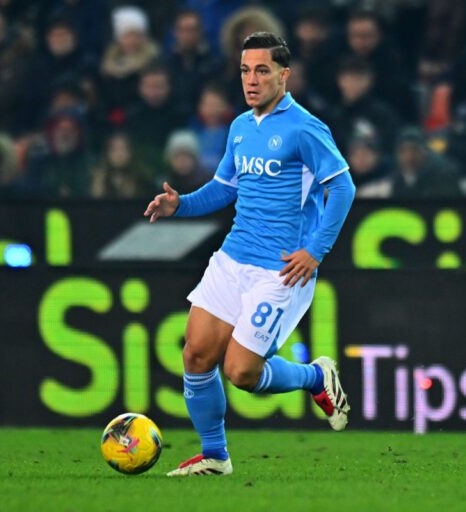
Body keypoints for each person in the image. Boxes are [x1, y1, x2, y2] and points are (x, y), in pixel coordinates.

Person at [144, 32, 354, 477]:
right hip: (233, 258)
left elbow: (342, 187)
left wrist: (315, 250)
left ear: (284, 74)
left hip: (280, 271)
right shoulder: (240, 128)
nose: (252, 80)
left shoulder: (304, 128)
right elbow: (224, 189)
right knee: (196, 356)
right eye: (245, 71)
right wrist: (180, 204)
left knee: (241, 372)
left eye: (262, 70)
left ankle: (316, 377)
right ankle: (216, 456)